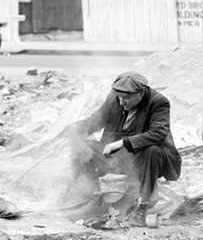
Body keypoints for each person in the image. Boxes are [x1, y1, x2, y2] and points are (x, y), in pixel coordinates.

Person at [66, 71, 181, 226]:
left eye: (126, 98)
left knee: (152, 150)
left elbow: (158, 133)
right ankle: (87, 197)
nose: (121, 102)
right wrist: (77, 130)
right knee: (84, 147)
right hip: (120, 156)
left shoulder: (158, 102)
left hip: (147, 156)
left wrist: (122, 143)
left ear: (140, 94)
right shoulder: (115, 98)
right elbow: (96, 120)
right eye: (119, 97)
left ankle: (142, 207)